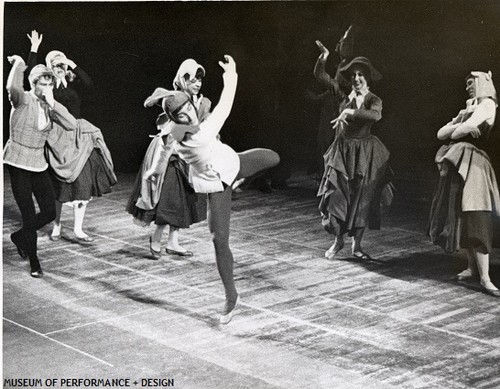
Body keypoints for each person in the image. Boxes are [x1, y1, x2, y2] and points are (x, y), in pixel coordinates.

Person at [145, 55, 279, 324]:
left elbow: (225, 105)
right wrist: (155, 172)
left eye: (188, 112)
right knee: (219, 240)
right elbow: (163, 152)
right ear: (174, 118)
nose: (187, 116)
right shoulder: (173, 132)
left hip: (233, 164)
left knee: (274, 157)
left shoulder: (206, 125)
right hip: (215, 186)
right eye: (180, 116)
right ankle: (231, 296)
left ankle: (243, 181)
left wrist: (232, 74)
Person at [26, 30, 116, 244]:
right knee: (61, 187)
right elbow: (31, 74)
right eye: (56, 65)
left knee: (82, 184)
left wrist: (71, 63)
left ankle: (78, 229)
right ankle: (57, 225)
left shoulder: (73, 83)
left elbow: (89, 84)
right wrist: (34, 50)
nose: (61, 68)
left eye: (62, 65)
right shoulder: (47, 86)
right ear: (50, 68)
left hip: (79, 136)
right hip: (57, 138)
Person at [314, 42, 392, 261]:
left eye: (361, 75)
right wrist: (324, 56)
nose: (356, 78)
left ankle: (356, 246)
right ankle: (338, 241)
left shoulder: (373, 99)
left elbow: (375, 116)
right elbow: (320, 75)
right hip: (342, 152)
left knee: (361, 199)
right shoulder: (342, 94)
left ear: (367, 78)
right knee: (336, 196)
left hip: (365, 154)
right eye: (354, 75)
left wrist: (350, 111)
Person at [126, 59, 209, 258]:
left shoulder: (200, 102)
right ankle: (155, 238)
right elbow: (174, 127)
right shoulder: (178, 98)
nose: (197, 83)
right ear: (182, 79)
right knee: (168, 200)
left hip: (186, 154)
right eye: (192, 79)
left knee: (182, 202)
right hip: (169, 152)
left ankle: (173, 242)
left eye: (199, 79)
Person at [4, 55, 78, 277]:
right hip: (18, 161)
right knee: (28, 215)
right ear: (33, 84)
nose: (46, 88)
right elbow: (11, 85)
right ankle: (34, 261)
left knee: (47, 211)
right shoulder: (22, 99)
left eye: (49, 84)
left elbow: (71, 124)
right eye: (41, 84)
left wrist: (52, 102)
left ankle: (19, 236)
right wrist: (19, 63)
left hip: (37, 161)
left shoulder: (51, 106)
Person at [429, 71, 500, 297]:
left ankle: (486, 277)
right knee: (461, 214)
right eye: (466, 84)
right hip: (460, 161)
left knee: (476, 214)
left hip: (475, 164)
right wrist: (464, 125)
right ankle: (471, 267)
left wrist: (463, 126)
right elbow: (442, 133)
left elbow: (457, 131)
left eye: (472, 83)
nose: (468, 87)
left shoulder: (487, 104)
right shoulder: (469, 107)